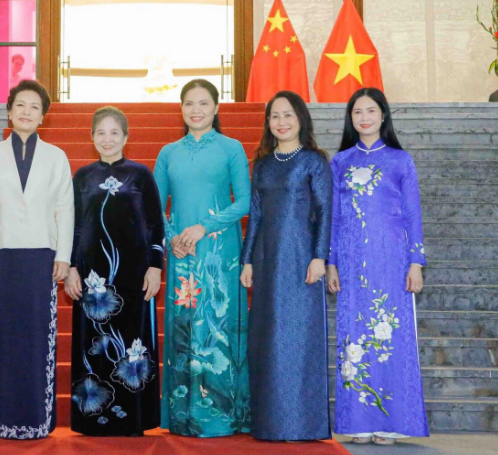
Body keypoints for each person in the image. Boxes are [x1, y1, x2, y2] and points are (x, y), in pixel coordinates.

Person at [0, 79, 74, 440]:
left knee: (39, 339)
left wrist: (64, 255)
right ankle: (2, 419)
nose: (26, 112)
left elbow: (65, 207)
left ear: (43, 115)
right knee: (5, 338)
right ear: (9, 111)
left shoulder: (56, 156)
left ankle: (39, 419)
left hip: (42, 256)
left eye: (34, 107)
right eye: (20, 105)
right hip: (2, 256)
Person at [325, 88, 429, 446]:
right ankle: (357, 421)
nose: (364, 117)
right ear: (350, 119)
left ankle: (391, 421)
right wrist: (331, 262)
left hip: (392, 260)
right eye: (357, 112)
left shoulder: (402, 161)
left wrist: (416, 262)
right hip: (352, 264)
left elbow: (413, 215)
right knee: (354, 337)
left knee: (392, 337)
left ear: (383, 115)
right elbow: (335, 219)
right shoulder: (339, 163)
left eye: (371, 110)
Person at [154, 78, 251, 437]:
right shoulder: (168, 152)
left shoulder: (231, 148)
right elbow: (155, 204)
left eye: (203, 103)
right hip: (181, 253)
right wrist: (171, 237)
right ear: (181, 109)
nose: (196, 110)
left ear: (216, 108)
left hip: (219, 252)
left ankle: (221, 415)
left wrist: (202, 227)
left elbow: (243, 201)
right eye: (189, 103)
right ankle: (183, 415)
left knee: (217, 324)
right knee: (184, 326)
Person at [65, 106, 164, 436]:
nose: (107, 139)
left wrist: (155, 266)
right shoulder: (81, 177)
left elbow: (154, 224)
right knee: (92, 344)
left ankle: (132, 418)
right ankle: (92, 420)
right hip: (94, 281)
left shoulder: (140, 174)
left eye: (114, 132)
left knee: (132, 344)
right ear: (91, 137)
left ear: (126, 136)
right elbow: (74, 227)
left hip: (133, 277)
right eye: (101, 132)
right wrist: (72, 269)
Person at [241, 90, 332, 442]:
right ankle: (269, 422)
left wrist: (319, 256)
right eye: (275, 116)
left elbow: (325, 210)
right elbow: (257, 215)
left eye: (288, 115)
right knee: (268, 338)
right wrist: (246, 259)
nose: (281, 122)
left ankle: (301, 423)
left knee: (299, 337)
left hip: (301, 260)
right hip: (265, 260)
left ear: (300, 119)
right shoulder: (262, 164)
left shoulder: (314, 162)